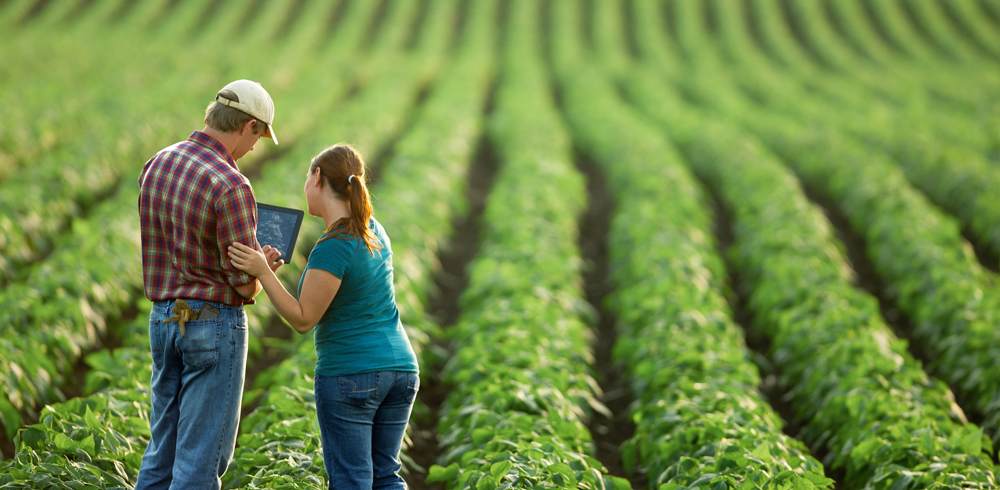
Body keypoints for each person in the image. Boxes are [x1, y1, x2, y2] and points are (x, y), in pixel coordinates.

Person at [227, 144, 419, 490]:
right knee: (385, 476)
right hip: (402, 370)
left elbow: (303, 319)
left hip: (353, 373)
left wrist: (263, 273)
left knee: (351, 479)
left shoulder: (334, 244)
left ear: (317, 177)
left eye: (306, 176)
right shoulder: (374, 229)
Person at [135, 79, 282, 489]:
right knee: (200, 459)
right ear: (248, 126)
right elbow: (241, 286)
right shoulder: (232, 183)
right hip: (210, 323)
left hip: (165, 318)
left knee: (161, 447)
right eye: (258, 137)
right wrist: (262, 270)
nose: (254, 148)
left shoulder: (158, 162)